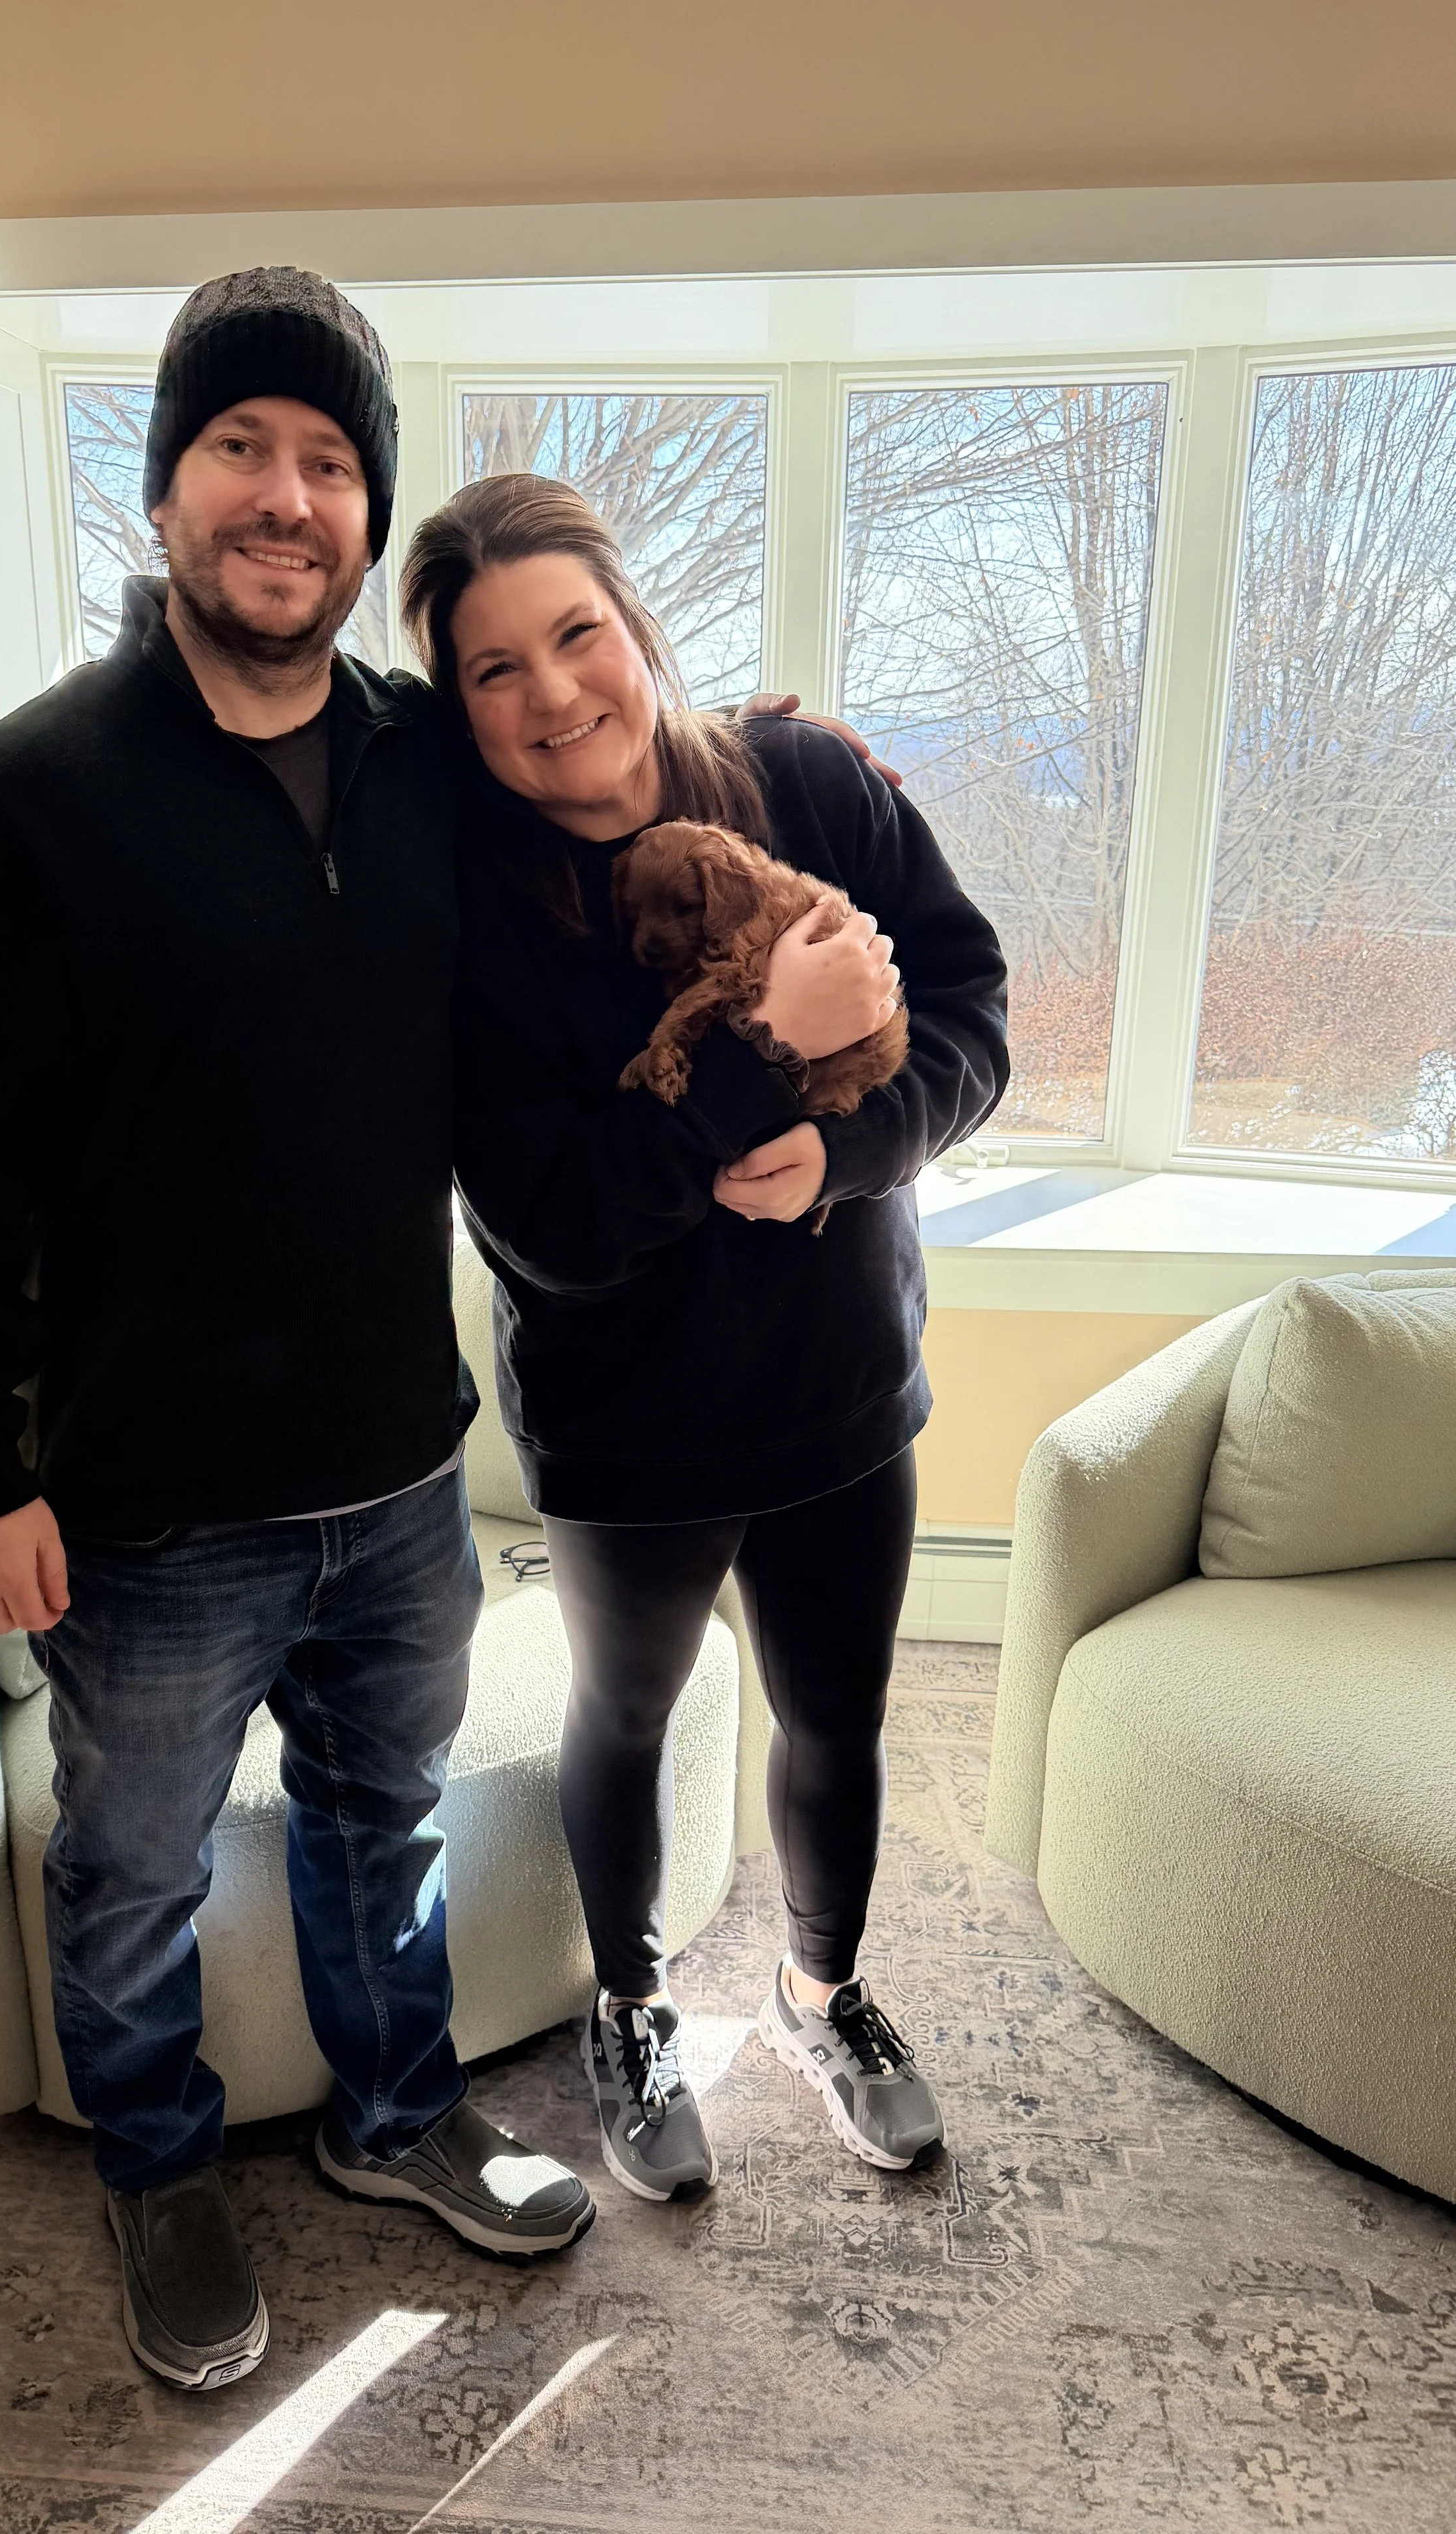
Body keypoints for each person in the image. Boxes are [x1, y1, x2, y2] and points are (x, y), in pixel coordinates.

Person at [0, 270, 606, 2396]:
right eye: (241, 451)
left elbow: (605, 811)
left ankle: (392, 2121)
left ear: (366, 520)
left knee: (387, 1819)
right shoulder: (19, 801)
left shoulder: (426, 769)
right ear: (170, 481)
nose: (286, 499)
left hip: (394, 1467)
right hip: (151, 1506)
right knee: (133, 1869)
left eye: (330, 464)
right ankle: (159, 2165)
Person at [399, 472, 1009, 2205]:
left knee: (836, 1720)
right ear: (455, 711)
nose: (553, 693)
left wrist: (854, 1143)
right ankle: (630, 2002)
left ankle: (823, 1993)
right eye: (491, 670)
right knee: (622, 1715)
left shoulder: (806, 782)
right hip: (622, 1429)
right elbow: (550, 1230)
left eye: (575, 634)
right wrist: (759, 1062)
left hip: (838, 1400)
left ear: (635, 629)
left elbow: (966, 1013)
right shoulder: (471, 910)